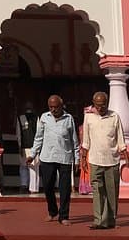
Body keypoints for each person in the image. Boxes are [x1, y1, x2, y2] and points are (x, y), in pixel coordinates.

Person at [81, 91, 129, 230]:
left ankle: (110, 220)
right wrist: (83, 159)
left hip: (112, 160)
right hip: (95, 159)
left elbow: (120, 139)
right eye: (97, 105)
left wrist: (126, 158)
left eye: (103, 105)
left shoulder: (114, 116)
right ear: (93, 103)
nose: (100, 108)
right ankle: (98, 220)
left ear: (107, 103)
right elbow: (86, 141)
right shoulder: (88, 118)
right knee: (97, 191)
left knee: (112, 191)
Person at [27, 95, 79, 226]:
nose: (53, 110)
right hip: (47, 157)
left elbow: (74, 141)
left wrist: (77, 159)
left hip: (65, 158)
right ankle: (52, 211)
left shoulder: (69, 119)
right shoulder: (44, 117)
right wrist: (32, 154)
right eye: (51, 107)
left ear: (62, 106)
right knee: (48, 186)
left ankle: (64, 215)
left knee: (65, 189)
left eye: (56, 107)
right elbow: (38, 138)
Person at [17, 101, 40, 194]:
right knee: (33, 168)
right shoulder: (36, 117)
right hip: (34, 146)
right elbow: (39, 134)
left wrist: (19, 146)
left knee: (23, 167)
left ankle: (24, 185)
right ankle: (33, 188)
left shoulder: (20, 118)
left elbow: (18, 134)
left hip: (24, 146)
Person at [77, 105, 96, 195]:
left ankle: (87, 187)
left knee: (89, 168)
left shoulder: (85, 127)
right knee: (86, 168)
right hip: (85, 150)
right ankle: (86, 187)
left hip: (90, 150)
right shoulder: (82, 127)